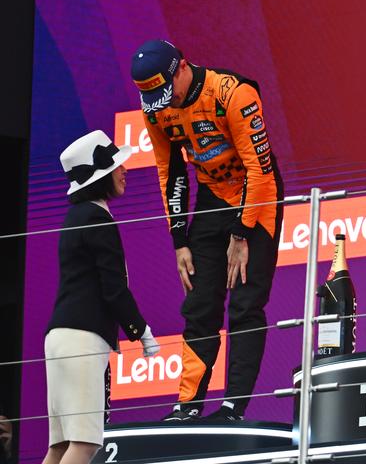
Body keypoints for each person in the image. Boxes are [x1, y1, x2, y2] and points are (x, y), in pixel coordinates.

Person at [131, 40, 283, 422]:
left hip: (257, 195)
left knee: (246, 303)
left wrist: (241, 233)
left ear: (182, 67)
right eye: (153, 97)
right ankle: (187, 405)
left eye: (167, 91)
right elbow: (171, 174)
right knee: (200, 305)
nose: (163, 101)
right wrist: (179, 240)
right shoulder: (156, 108)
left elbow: (259, 171)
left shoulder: (233, 93)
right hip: (213, 197)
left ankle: (233, 407)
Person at [45, 131, 158, 464]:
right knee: (84, 443)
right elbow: (113, 288)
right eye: (117, 166)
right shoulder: (97, 217)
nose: (125, 171)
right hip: (82, 338)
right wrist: (142, 331)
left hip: (60, 337)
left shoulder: (75, 218)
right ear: (99, 177)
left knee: (61, 445)